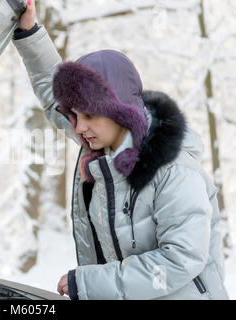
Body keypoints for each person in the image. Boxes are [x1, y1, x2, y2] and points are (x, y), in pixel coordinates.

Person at [12, 0, 229, 299]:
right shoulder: (103, 144)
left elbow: (180, 260)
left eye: (88, 116)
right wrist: (29, 32)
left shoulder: (174, 170)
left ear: (120, 112)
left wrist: (89, 284)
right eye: (74, 115)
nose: (77, 127)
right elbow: (53, 94)